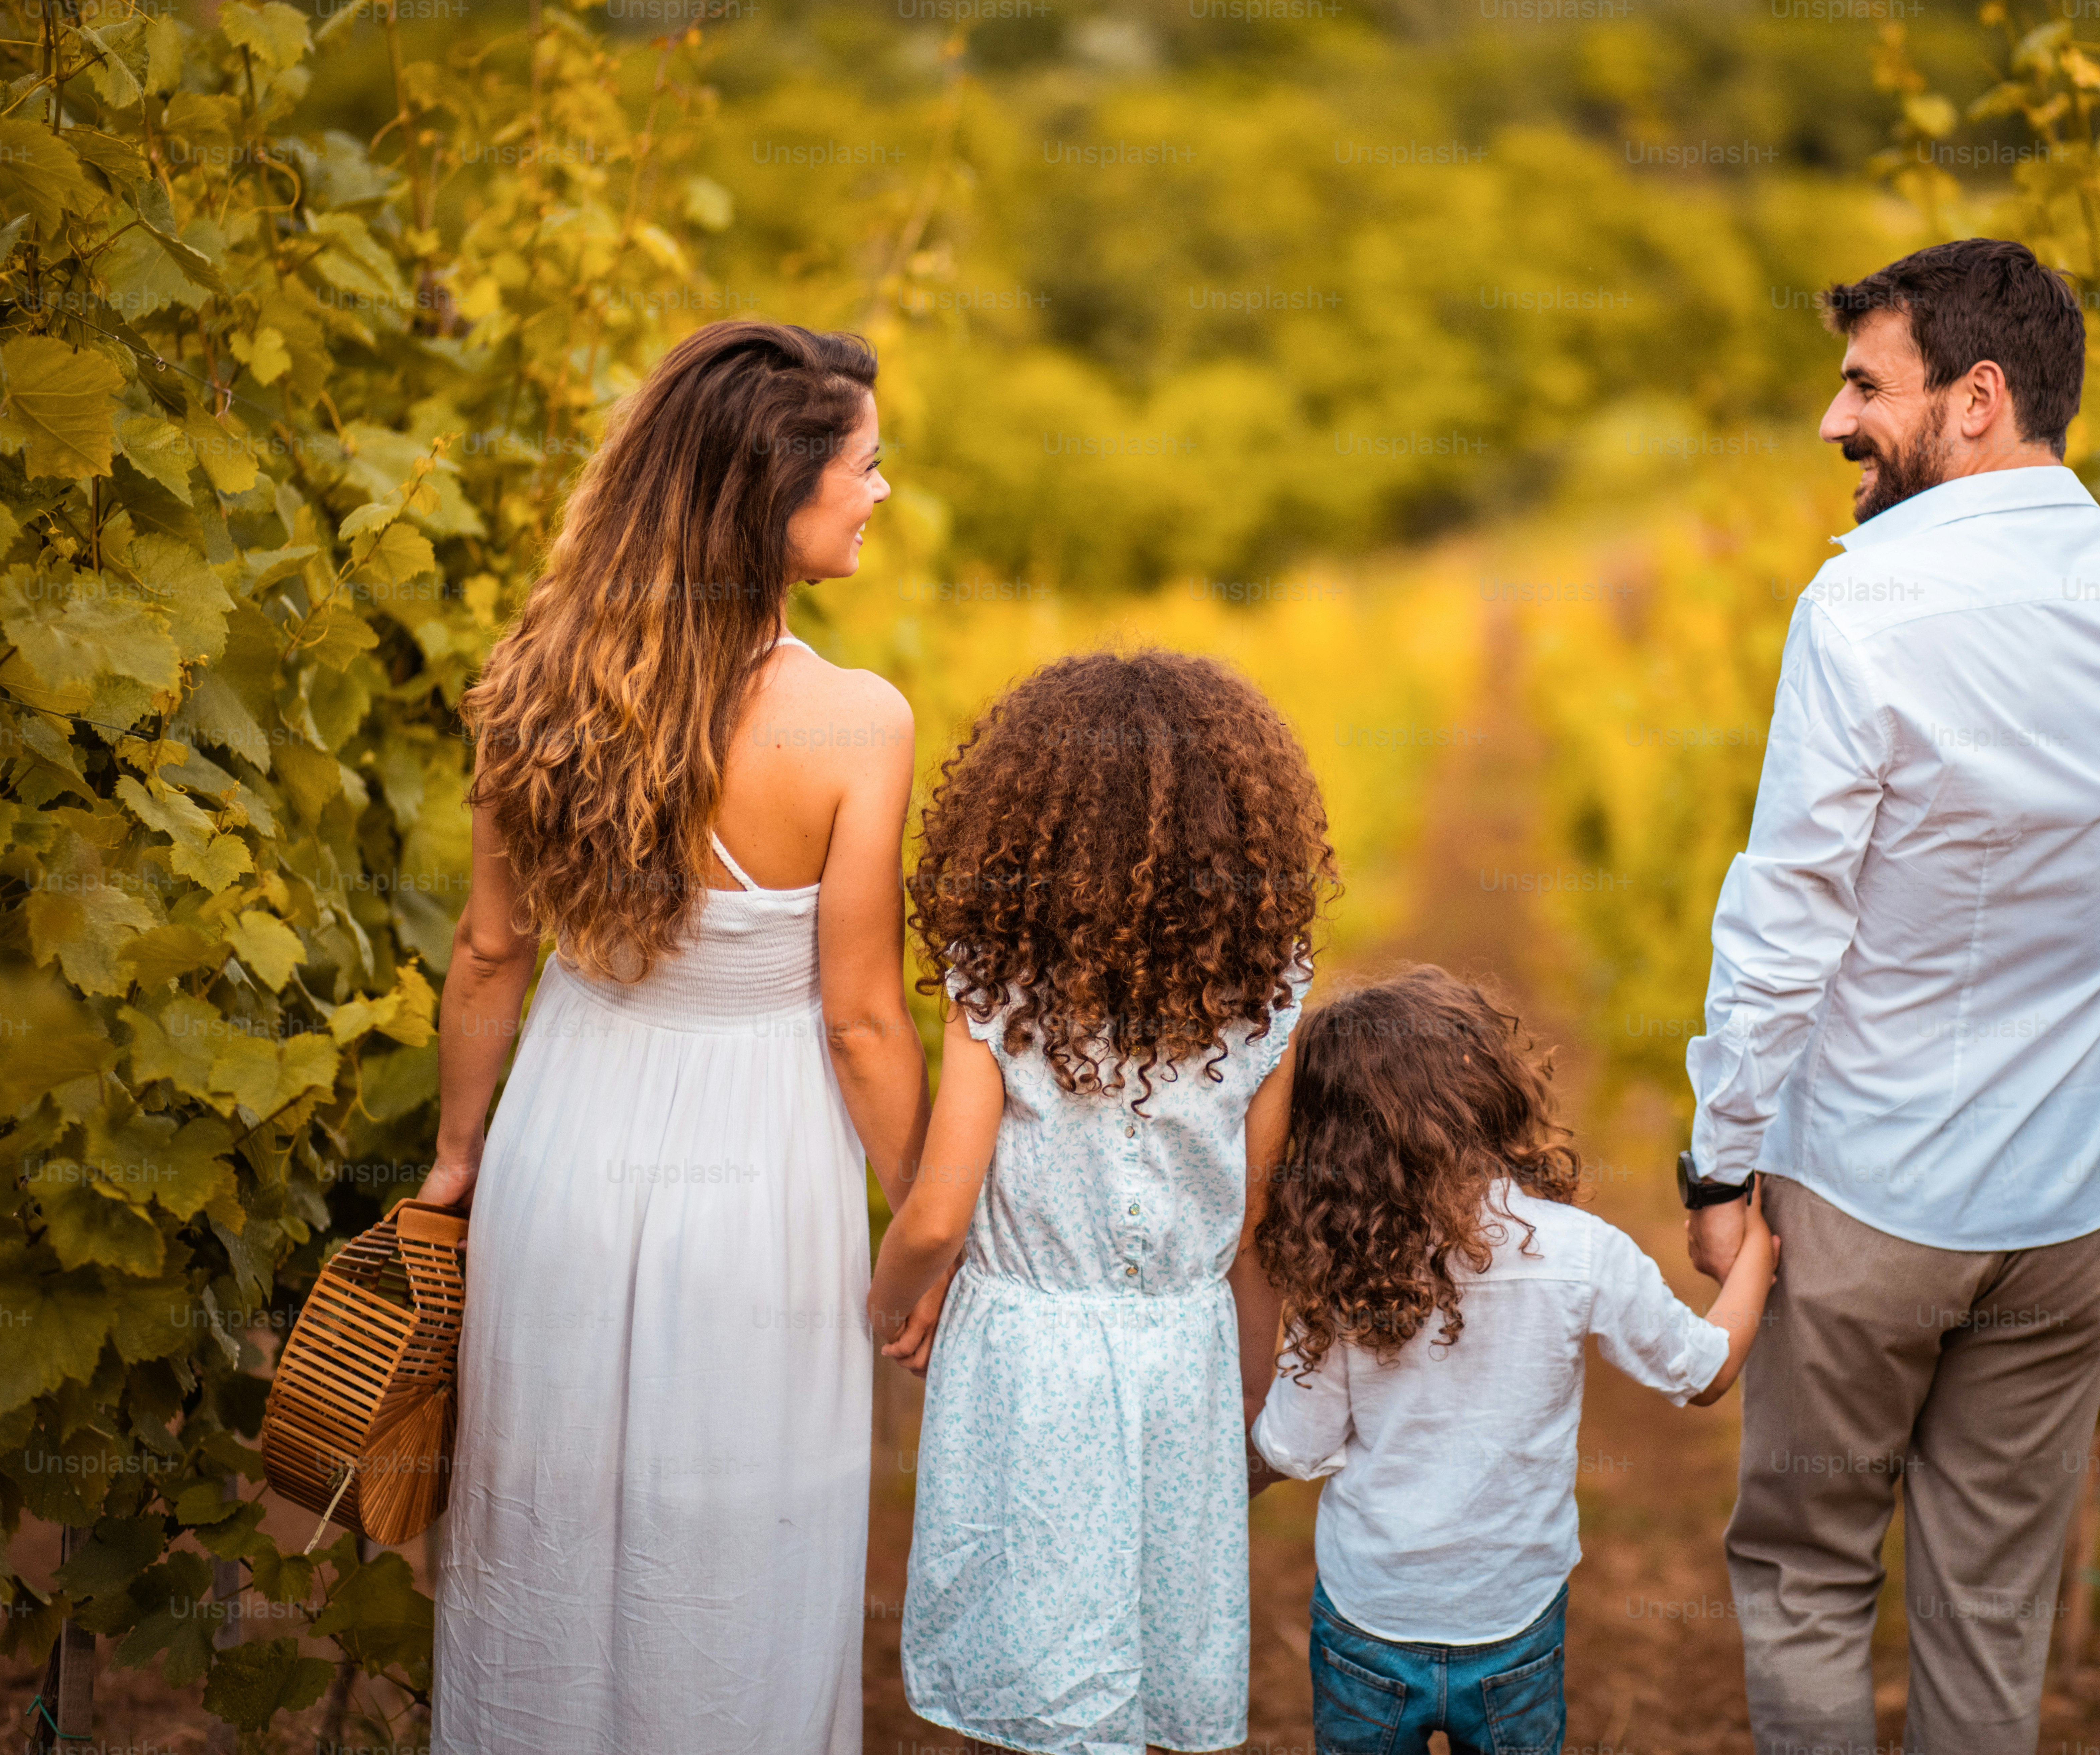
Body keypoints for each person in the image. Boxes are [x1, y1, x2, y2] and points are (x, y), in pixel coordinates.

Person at [1676, 233, 2100, 1755]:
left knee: (1802, 1574)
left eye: (1864, 384)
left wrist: (1717, 1158)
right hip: (2069, 1214)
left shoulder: (1858, 614)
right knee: (1991, 1609)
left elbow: (1784, 916)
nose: (1831, 419)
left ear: (1975, 397)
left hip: (1865, 1196)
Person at [423, 321, 933, 1755]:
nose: (879, 492)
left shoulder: (535, 682)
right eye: (865, 466)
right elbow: (859, 1018)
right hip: (761, 1175)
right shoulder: (852, 724)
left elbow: (489, 950)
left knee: (545, 1527)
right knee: (742, 1547)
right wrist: (926, 1229)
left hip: (560, 1151)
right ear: (775, 495)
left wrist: (460, 1155)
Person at [867, 649, 1332, 1755]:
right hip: (1184, 1358)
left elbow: (938, 1211)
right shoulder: (1268, 994)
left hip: (1029, 1362)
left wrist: (895, 1300)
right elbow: (1252, 1231)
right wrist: (1256, 1400)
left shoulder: (1000, 984)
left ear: (1024, 829)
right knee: (1154, 1671)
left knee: (1037, 1682)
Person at [1249, 967, 1775, 1755]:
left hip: (1368, 1621)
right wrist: (1756, 1256)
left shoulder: (1341, 1271)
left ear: (1326, 1134)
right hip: (1513, 1624)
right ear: (1490, 1086)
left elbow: (1293, 1444)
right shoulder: (1580, 1251)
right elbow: (1704, 1372)